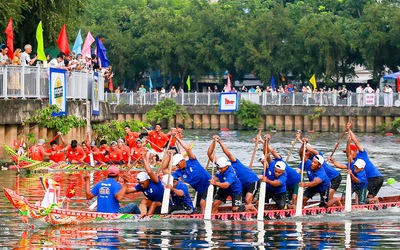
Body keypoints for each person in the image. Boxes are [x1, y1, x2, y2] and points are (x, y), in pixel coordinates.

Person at [329, 121, 383, 203]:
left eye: (349, 152)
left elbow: (356, 141)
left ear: (354, 151)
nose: (347, 154)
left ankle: (372, 200)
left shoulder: (362, 154)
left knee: (363, 193)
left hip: (375, 178)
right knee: (367, 197)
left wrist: (349, 130)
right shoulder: (352, 163)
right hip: (367, 179)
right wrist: (333, 162)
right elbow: (341, 166)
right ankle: (370, 201)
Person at [160, 136, 211, 213]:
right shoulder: (179, 172)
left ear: (183, 160)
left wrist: (177, 138)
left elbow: (187, 149)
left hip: (209, 185)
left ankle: (206, 222)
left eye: (177, 164)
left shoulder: (192, 161)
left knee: (202, 203)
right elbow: (164, 169)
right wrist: (169, 156)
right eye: (176, 165)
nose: (177, 166)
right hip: (200, 191)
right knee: (198, 208)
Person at [208, 135, 258, 209]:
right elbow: (209, 154)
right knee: (242, 202)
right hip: (240, 184)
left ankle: (252, 208)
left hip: (251, 181)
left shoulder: (233, 163)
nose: (219, 170)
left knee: (247, 201)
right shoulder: (221, 165)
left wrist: (220, 142)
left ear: (226, 166)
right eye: (218, 168)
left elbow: (228, 153)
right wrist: (214, 142)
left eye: (221, 169)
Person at [297, 132, 342, 203]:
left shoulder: (318, 156)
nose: (304, 153)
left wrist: (303, 142)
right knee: (302, 200)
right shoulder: (307, 162)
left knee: (329, 198)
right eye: (304, 151)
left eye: (306, 151)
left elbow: (311, 150)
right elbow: (298, 169)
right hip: (321, 180)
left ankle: (336, 202)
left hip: (334, 177)